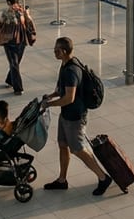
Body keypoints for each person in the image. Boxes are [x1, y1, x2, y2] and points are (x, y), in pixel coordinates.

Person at [41, 36, 114, 195]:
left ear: (64, 51)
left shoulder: (71, 71)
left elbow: (69, 97)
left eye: (57, 50)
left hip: (75, 117)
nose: (54, 52)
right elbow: (62, 90)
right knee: (62, 144)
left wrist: (50, 104)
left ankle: (103, 178)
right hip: (66, 114)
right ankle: (62, 180)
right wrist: (52, 95)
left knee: (78, 149)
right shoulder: (66, 64)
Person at [0, 0, 33, 96]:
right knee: (15, 63)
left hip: (9, 42)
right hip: (22, 41)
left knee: (14, 64)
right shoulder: (24, 10)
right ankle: (10, 80)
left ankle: (18, 88)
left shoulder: (6, 13)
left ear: (8, 2)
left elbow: (0, 27)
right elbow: (29, 24)